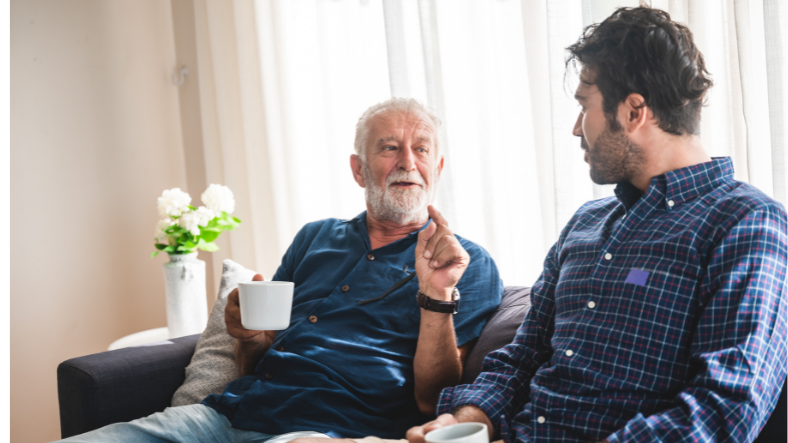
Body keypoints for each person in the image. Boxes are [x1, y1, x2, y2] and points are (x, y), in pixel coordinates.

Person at [401, 7, 787, 443]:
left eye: (584, 105)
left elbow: (724, 411)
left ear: (634, 111)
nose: (574, 128)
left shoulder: (747, 224)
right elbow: (523, 358)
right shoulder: (586, 225)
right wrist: (468, 417)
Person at [58, 98, 503, 442]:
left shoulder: (465, 263)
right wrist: (249, 337)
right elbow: (255, 360)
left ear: (437, 168)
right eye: (389, 148)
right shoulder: (315, 237)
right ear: (358, 169)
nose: (408, 161)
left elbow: (433, 397)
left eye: (421, 149)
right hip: (226, 415)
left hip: (329, 429)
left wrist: (436, 294)